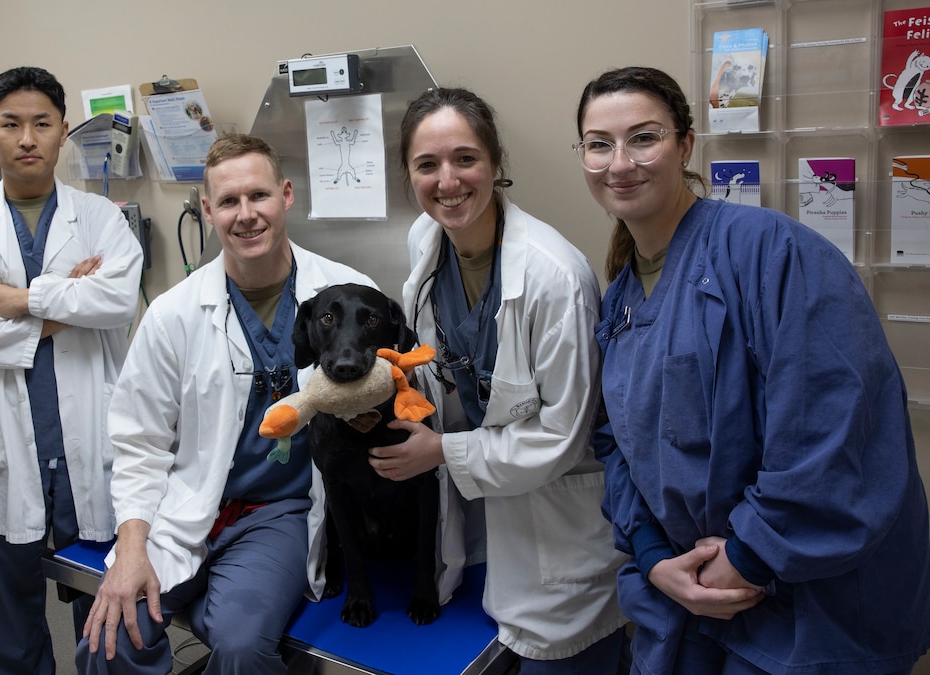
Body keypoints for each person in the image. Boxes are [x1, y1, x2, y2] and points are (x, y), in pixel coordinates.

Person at [575, 66, 930, 674]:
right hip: (689, 594)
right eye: (599, 144)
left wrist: (748, 556)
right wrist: (655, 553)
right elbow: (619, 444)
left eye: (644, 137)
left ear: (685, 145)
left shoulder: (773, 252)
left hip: (802, 607)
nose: (620, 162)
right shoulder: (622, 301)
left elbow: (835, 424)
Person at [76, 133, 373, 674]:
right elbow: (139, 443)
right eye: (229, 202)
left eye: (258, 196)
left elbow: (387, 400)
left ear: (285, 195)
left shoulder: (348, 296)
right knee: (110, 636)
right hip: (185, 502)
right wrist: (132, 547)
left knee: (239, 646)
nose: (246, 215)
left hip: (278, 513)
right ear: (208, 211)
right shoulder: (173, 314)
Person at [369, 87, 628, 673]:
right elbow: (448, 364)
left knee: (556, 659)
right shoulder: (426, 243)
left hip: (558, 523)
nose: (448, 181)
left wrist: (440, 450)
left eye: (465, 159)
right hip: (488, 522)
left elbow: (560, 436)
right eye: (426, 165)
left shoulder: (553, 277)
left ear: (496, 164)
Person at [0, 66, 143, 675]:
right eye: (11, 124)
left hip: (88, 441)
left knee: (106, 606)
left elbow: (117, 302)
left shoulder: (100, 217)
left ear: (63, 131)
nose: (27, 138)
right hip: (0, 444)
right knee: (11, 618)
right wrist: (65, 304)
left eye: (42, 124)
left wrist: (21, 301)